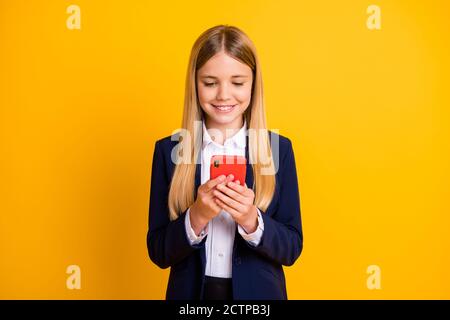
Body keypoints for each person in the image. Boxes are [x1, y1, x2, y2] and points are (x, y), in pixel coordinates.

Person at [147, 25, 303, 300]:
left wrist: (251, 219)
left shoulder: (278, 149)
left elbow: (291, 248)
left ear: (254, 83)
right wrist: (196, 216)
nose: (223, 95)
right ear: (194, 84)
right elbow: (159, 251)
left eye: (238, 82)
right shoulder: (169, 151)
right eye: (210, 82)